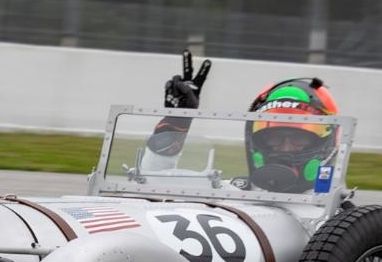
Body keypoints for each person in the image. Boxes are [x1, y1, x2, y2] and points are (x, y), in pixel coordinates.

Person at [144, 50, 341, 194]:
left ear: (326, 142)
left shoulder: (340, 216)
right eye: (275, 138)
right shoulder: (235, 193)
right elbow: (152, 185)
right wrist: (176, 120)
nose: (286, 148)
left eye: (299, 139)